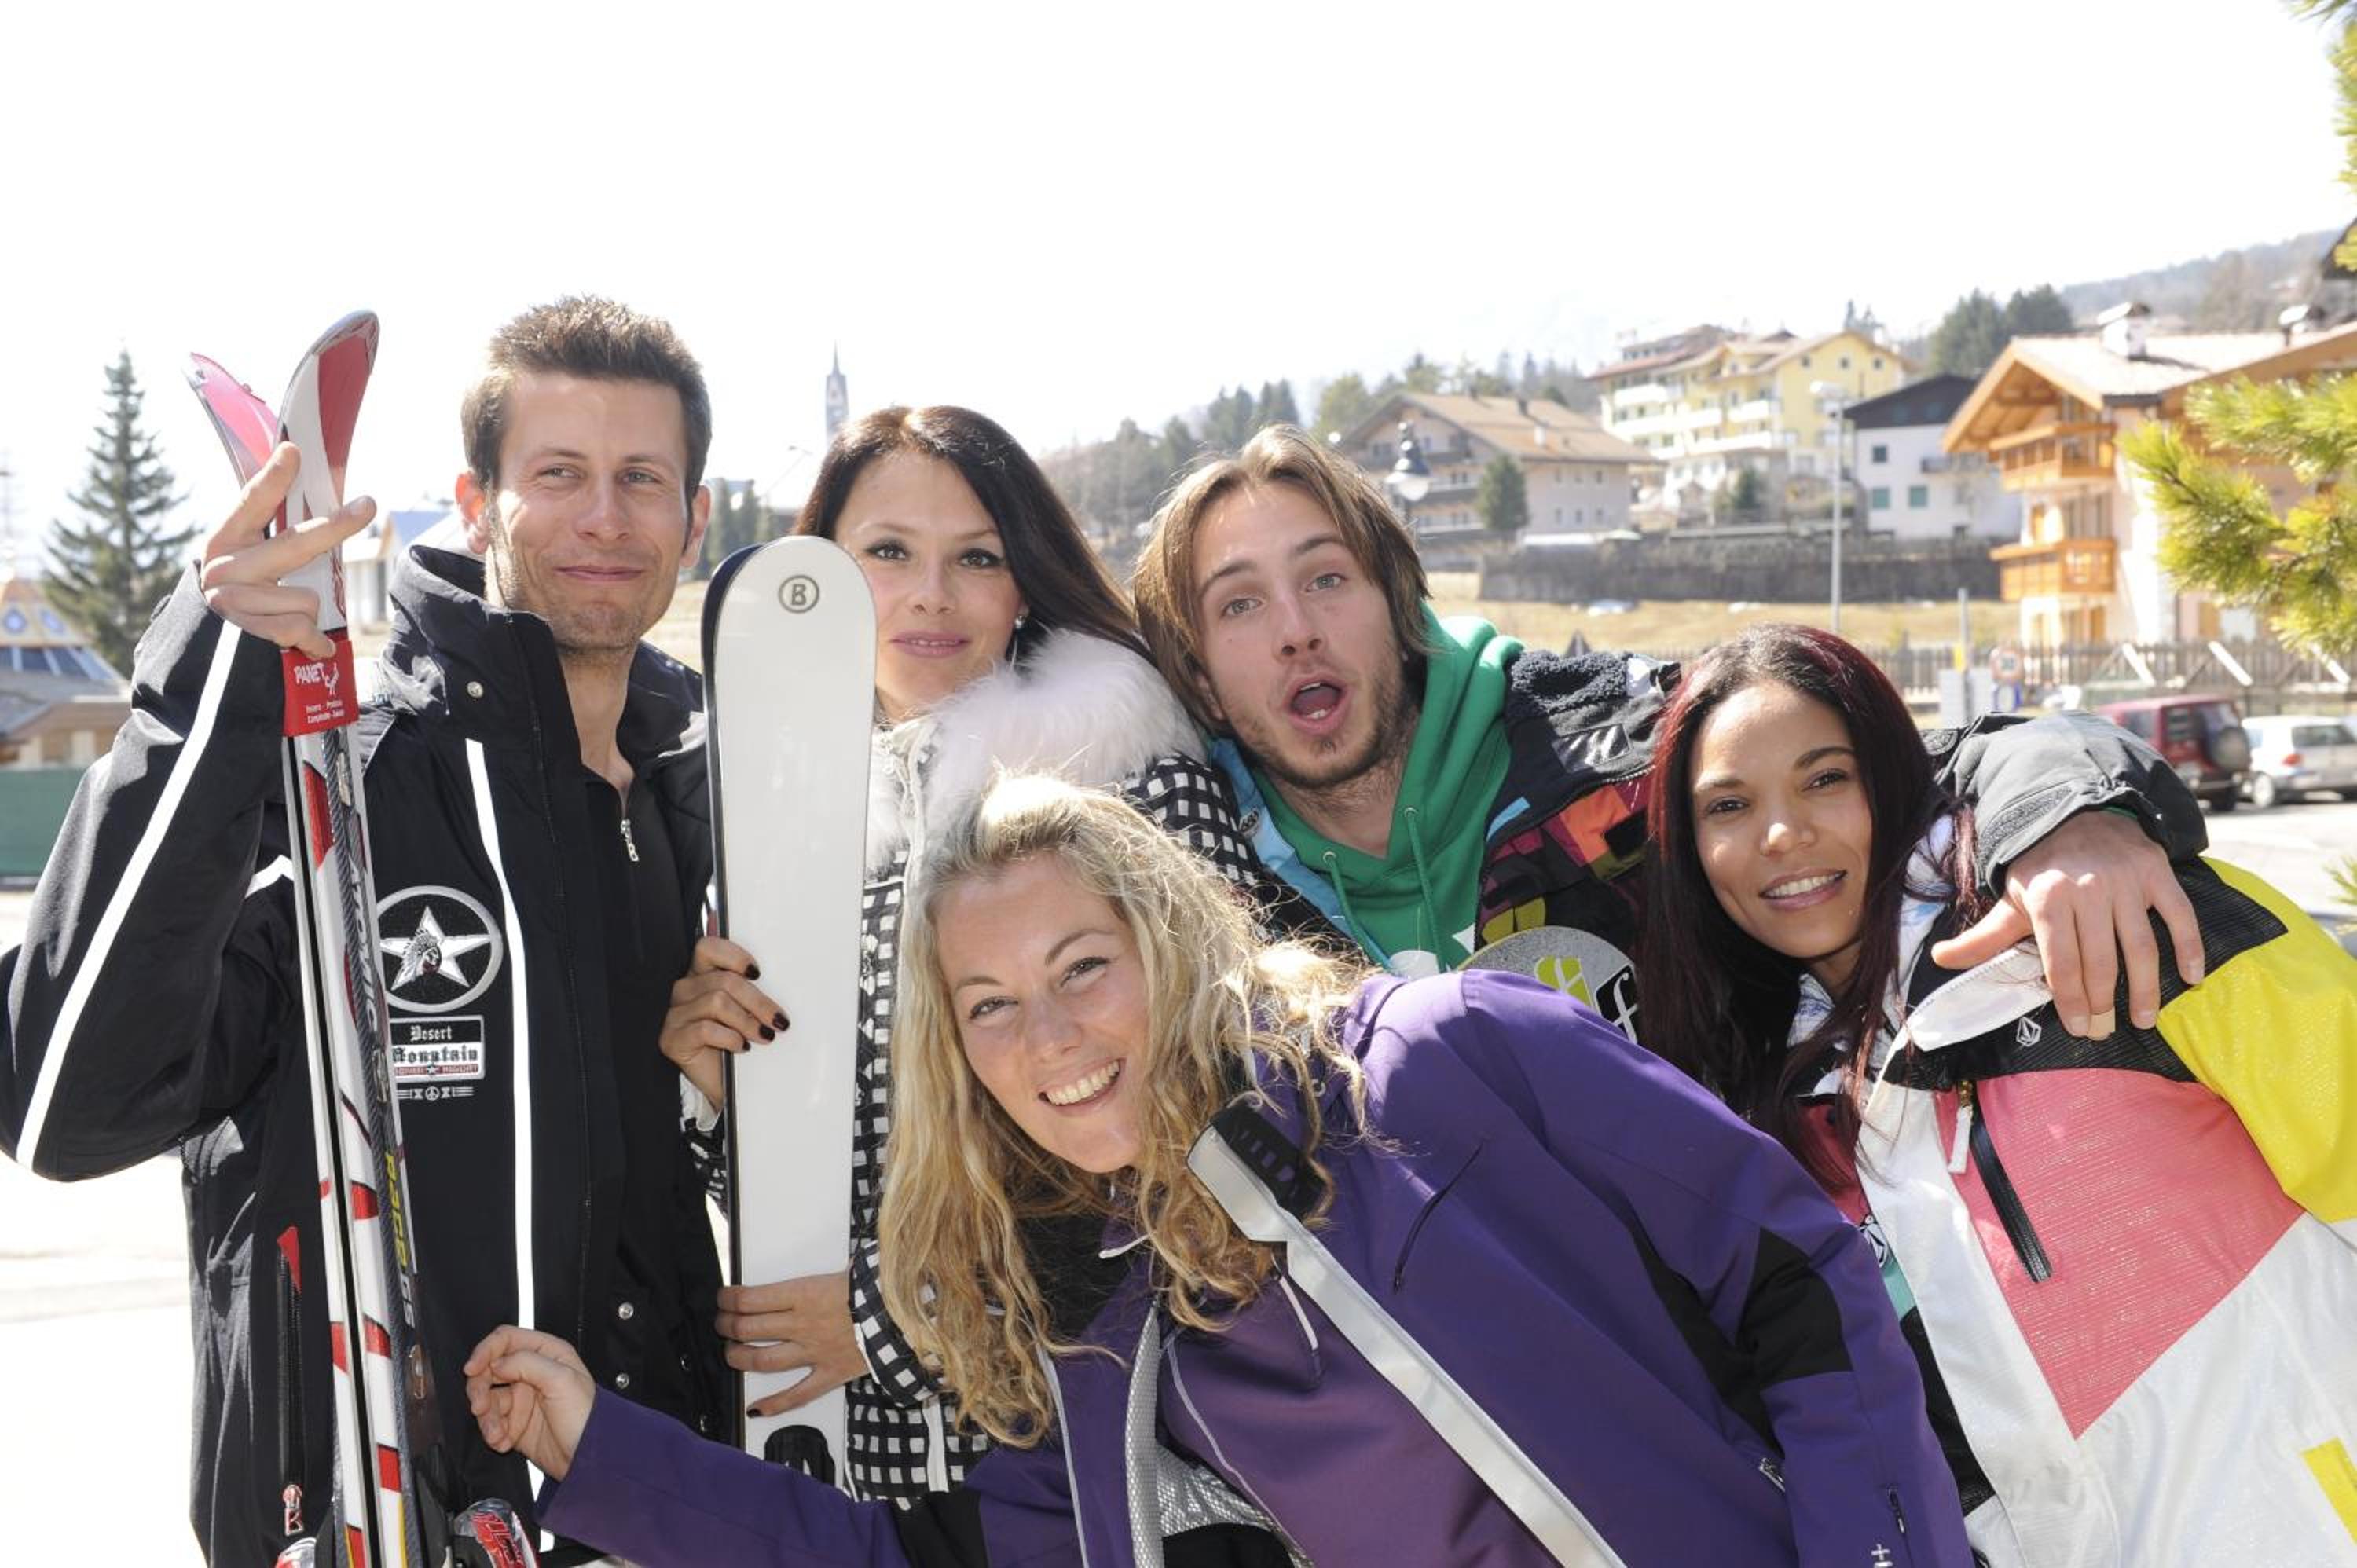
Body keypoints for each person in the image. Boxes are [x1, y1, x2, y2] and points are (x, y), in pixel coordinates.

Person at [468, 773, 1977, 1566]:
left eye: (1083, 966)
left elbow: (1799, 1278)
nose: (1052, 1038)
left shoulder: (1446, 1057)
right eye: (990, 1006)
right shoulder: (1105, 1333)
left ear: (1170, 940)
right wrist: (603, 1454)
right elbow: (904, 1560)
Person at [0, 297, 731, 1565]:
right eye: (559, 474)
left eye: (641, 479)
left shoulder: (695, 805)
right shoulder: (337, 793)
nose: (605, 518)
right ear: (476, 502)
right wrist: (207, 692)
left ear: (696, 517)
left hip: (670, 1513)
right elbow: (66, 1106)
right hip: (367, 1525)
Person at [663, 405, 1311, 1504]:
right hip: (861, 1457)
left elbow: (1219, 1112)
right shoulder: (779, 842)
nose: (932, 595)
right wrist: (723, 1098)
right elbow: (817, 1193)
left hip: (1106, 1438)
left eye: (977, 558)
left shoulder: (1130, 780)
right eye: (887, 553)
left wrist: (891, 1320)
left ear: (1024, 587)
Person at [1637, 623, 2357, 1566]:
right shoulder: (1761, 1127)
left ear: (1895, 777)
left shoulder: (2137, 924)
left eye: (1825, 778)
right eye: (1728, 804)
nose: (1783, 834)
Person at [1129, 423, 2208, 1043]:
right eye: (1241, 604)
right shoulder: (1200, 886)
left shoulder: (1615, 744)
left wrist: (2070, 821)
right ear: (1203, 682)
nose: (1297, 629)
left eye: (1327, 578)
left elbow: (1908, 764)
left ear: (1401, 606)